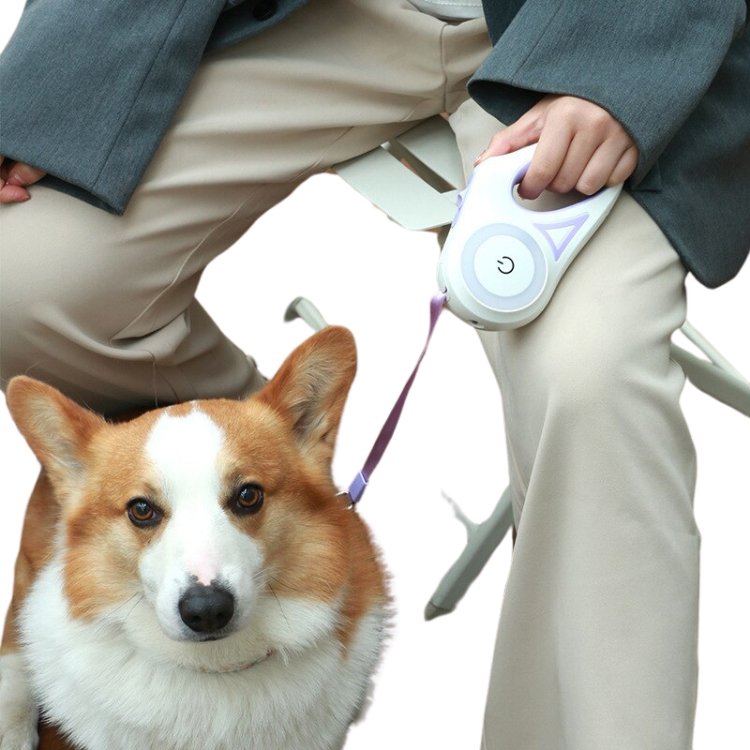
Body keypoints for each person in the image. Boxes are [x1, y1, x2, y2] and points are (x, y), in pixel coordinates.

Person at [0, 1, 748, 748]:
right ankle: (265, 476)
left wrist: (612, 65)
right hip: (326, 14)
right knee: (16, 282)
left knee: (591, 371)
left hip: (585, 24)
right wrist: (35, 103)